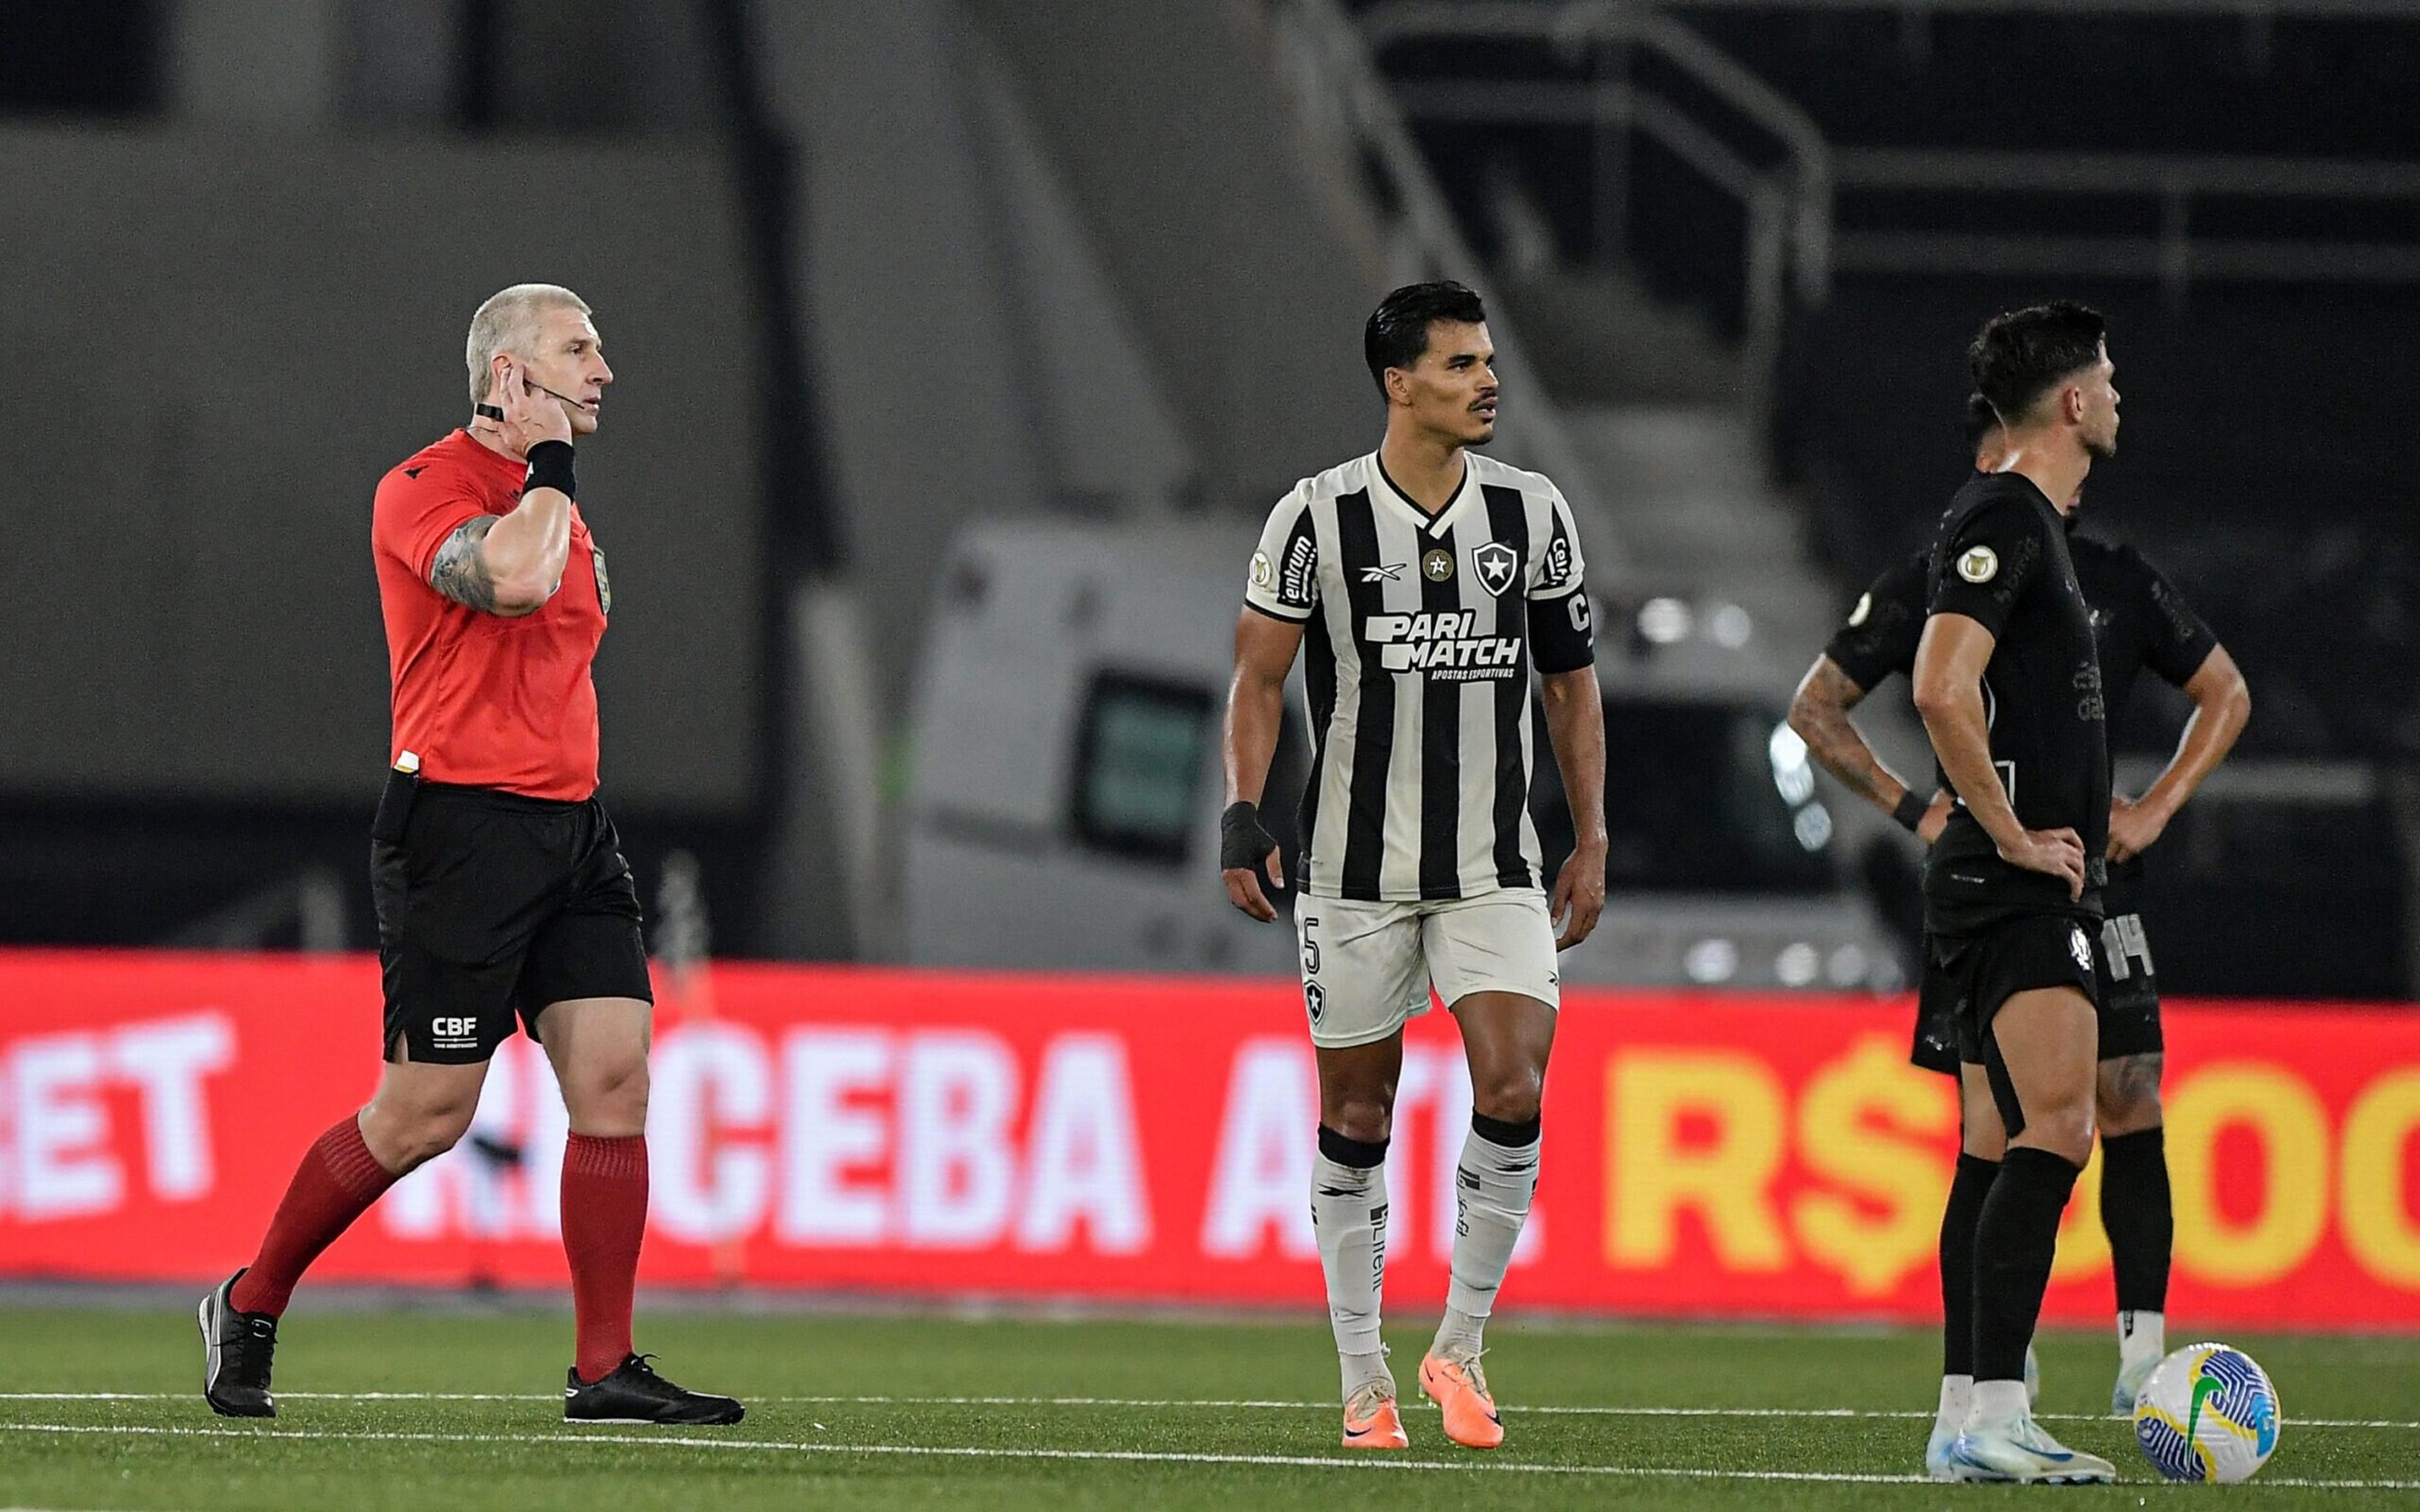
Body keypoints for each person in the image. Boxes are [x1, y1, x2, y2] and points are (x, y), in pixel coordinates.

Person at [199, 284, 742, 1427]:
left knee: (614, 1082)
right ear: (508, 376)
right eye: (577, 349)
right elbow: (513, 580)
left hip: (573, 832)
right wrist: (547, 471)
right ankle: (250, 1301)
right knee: (424, 1117)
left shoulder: (561, 504)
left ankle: (604, 1368)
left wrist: (551, 481)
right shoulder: (425, 489)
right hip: (457, 833)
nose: (602, 369)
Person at [1788, 395, 2249, 1468]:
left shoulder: (2114, 578)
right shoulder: (1946, 573)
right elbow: (1820, 707)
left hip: (2085, 877)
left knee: (2117, 1097)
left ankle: (2109, 1365)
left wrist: (2151, 810)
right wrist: (1931, 810)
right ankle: (1989, 1390)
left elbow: (2225, 692)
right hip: (2006, 878)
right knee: (2008, 1131)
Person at [1219, 280, 1606, 1453]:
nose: (1487, 382)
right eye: (1459, 366)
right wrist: (1245, 809)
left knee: (1515, 1088)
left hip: (1495, 864)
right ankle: (1361, 1380)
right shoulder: (1314, 518)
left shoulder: (1533, 515)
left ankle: (1461, 1346)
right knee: (1355, 1110)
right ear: (1400, 385)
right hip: (1350, 873)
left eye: (1487, 362)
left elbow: (1570, 685)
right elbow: (1259, 679)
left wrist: (1590, 835)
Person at [1910, 301, 2121, 1483]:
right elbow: (1943, 688)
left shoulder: (2033, 521)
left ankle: (1971, 1416)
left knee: (1998, 1139)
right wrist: (2021, 838)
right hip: (2010, 886)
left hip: (2000, 881)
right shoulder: (2004, 513)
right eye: (2110, 377)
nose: (2120, 395)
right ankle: (1992, 1415)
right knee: (2062, 1125)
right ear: (2074, 402)